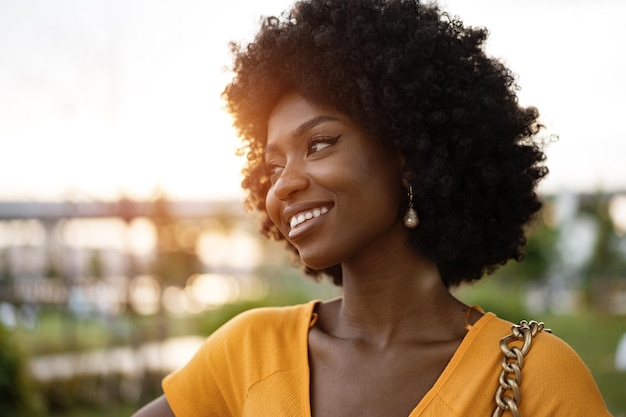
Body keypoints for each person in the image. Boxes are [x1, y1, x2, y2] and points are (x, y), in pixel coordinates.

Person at [133, 0, 611, 415]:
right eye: (273, 167)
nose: (283, 186)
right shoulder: (249, 351)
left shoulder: (534, 375)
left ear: (408, 157)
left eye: (318, 144)